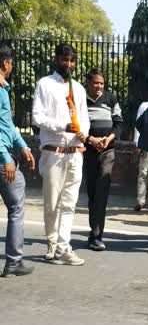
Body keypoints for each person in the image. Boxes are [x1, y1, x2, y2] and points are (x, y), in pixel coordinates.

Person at [32, 43, 89, 266]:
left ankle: (64, 247)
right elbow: (37, 117)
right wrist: (62, 126)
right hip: (53, 152)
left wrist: (83, 133)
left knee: (69, 203)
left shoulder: (80, 89)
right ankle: (52, 242)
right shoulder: (45, 84)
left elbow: (84, 119)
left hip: (75, 152)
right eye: (65, 59)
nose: (68, 64)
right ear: (56, 59)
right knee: (51, 204)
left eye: (72, 60)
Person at [0, 45, 35, 277]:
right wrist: (6, 157)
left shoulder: (4, 89)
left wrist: (23, 146)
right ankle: (13, 261)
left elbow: (7, 124)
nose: (12, 67)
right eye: (11, 63)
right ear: (5, 63)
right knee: (16, 208)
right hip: (3, 161)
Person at [83, 69, 122, 251]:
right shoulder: (80, 99)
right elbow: (77, 125)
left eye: (101, 83)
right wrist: (92, 140)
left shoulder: (110, 98)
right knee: (92, 192)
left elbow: (119, 123)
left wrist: (109, 138)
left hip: (108, 151)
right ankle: (93, 231)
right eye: (96, 83)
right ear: (88, 83)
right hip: (88, 151)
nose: (99, 86)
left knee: (102, 190)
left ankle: (98, 235)